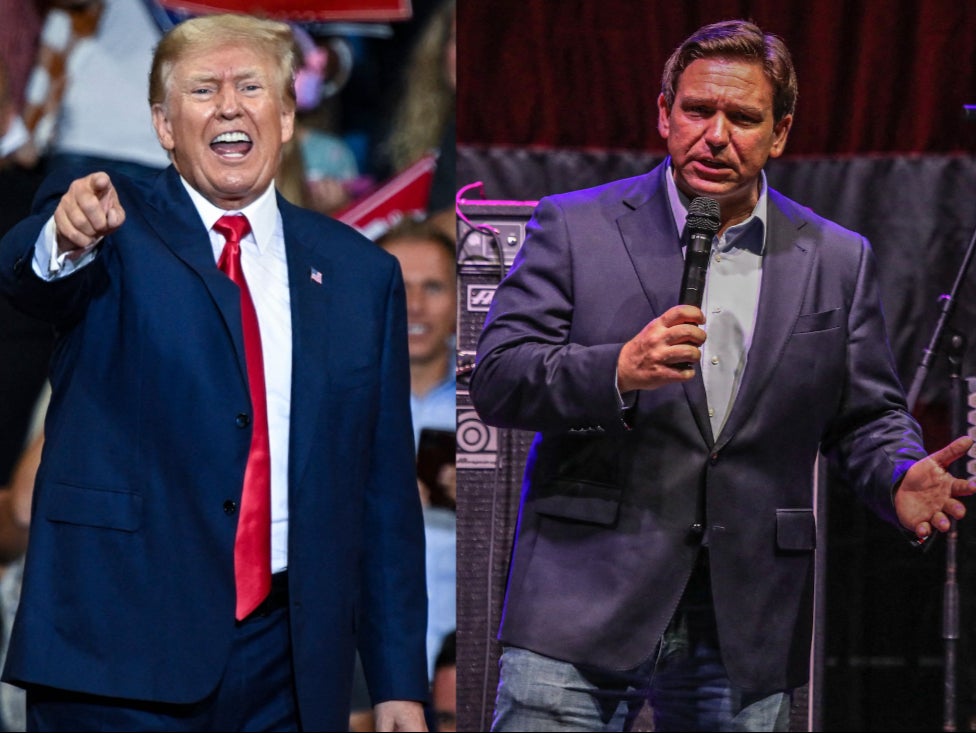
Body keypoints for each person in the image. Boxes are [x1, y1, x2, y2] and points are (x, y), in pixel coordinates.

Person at [469, 19, 976, 733]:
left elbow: (864, 413)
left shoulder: (834, 256)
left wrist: (895, 472)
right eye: (697, 110)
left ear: (780, 133)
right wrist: (616, 369)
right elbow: (497, 375)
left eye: (742, 118)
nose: (715, 134)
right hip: (583, 599)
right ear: (663, 113)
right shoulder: (576, 227)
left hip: (745, 613)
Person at [0, 13, 427, 733]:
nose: (229, 105)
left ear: (287, 115)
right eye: (203, 89)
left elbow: (383, 497)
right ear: (165, 126)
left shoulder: (361, 273)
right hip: (116, 654)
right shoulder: (110, 221)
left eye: (251, 86)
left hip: (287, 667)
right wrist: (63, 236)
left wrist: (397, 684)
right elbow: (31, 273)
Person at [377, 219, 457, 681]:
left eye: (432, 286)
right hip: (356, 662)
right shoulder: (328, 399)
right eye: (398, 287)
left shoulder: (494, 404)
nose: (414, 305)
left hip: (466, 655)